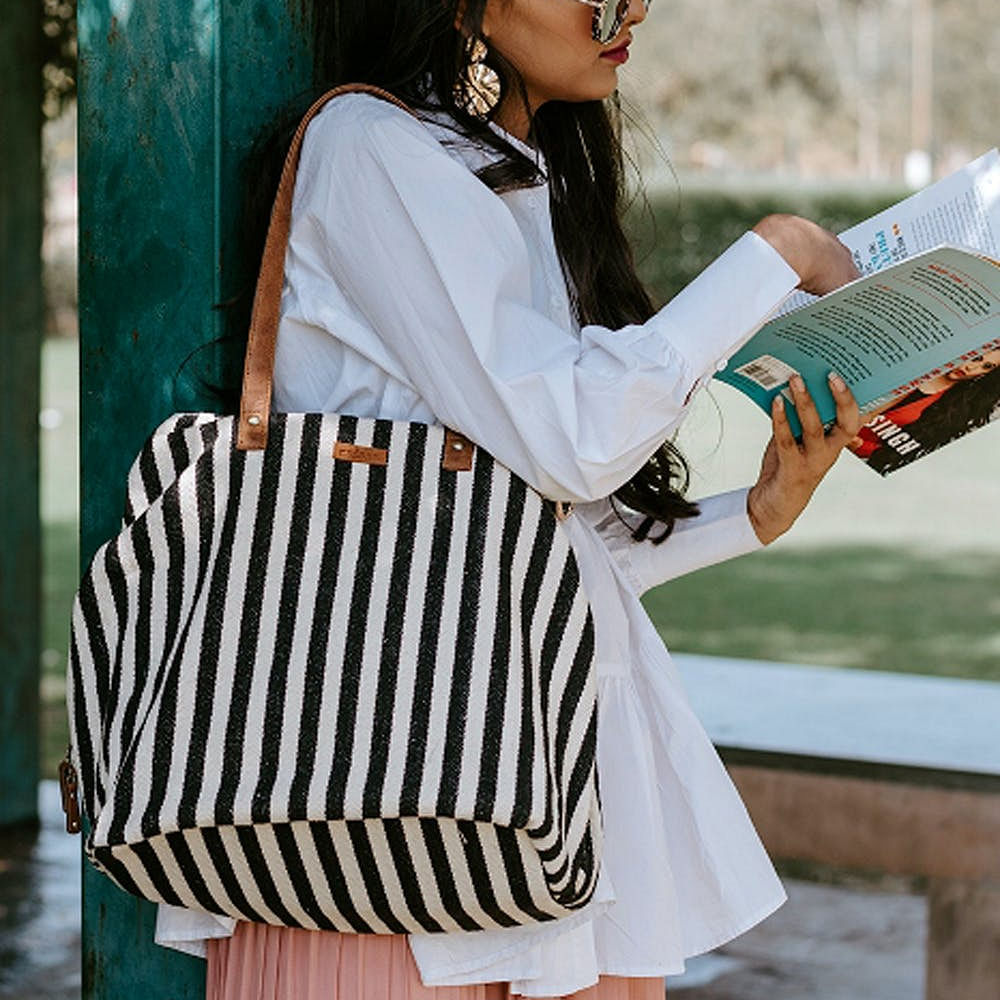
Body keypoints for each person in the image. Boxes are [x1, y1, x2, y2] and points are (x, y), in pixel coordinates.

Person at [156, 0, 864, 996]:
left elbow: (531, 545)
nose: (629, 10)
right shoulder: (374, 152)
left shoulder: (518, 177)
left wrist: (751, 514)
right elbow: (573, 439)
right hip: (387, 823)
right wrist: (778, 252)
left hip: (547, 816)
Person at [850, 349, 1000, 473]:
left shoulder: (951, 408)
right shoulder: (913, 365)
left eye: (986, 366)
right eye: (976, 358)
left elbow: (905, 448)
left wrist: (860, 446)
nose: (971, 368)